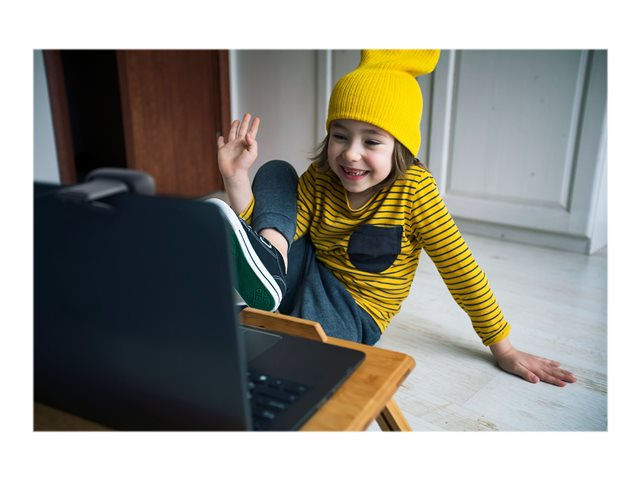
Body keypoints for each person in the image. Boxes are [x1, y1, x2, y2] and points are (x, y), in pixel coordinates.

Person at [208, 50, 576, 387]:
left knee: (303, 355)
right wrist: (236, 178)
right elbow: (286, 224)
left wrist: (504, 349)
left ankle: (265, 316)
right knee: (276, 170)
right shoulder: (322, 176)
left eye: (371, 142)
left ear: (400, 145)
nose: (350, 154)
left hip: (353, 306)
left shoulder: (414, 191)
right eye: (340, 136)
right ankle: (270, 259)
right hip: (300, 267)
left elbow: (460, 270)